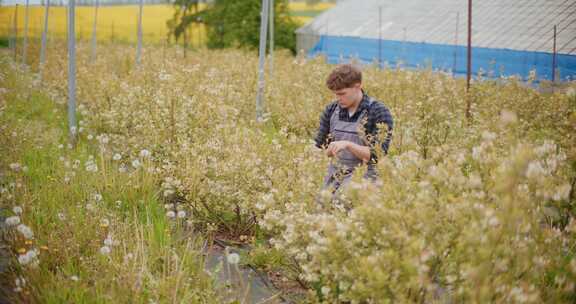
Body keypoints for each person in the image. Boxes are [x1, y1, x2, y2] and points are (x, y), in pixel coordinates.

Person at [315, 64, 393, 192]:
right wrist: (328, 151)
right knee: (322, 203)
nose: (338, 98)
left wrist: (348, 145)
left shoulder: (378, 111)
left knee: (345, 200)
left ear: (358, 86)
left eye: (342, 94)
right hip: (336, 172)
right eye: (335, 94)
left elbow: (378, 155)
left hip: (365, 176)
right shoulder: (331, 110)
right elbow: (320, 146)